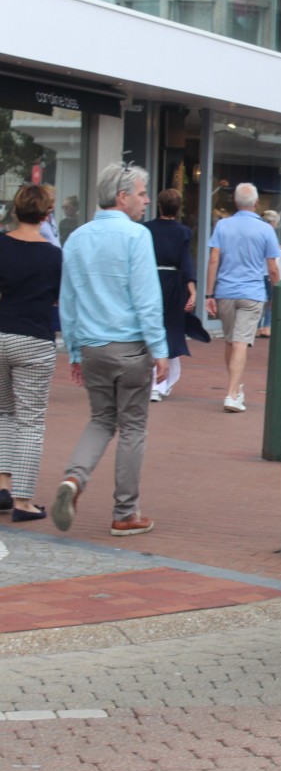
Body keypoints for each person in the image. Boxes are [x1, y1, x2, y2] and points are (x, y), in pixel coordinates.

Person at [51, 163, 169, 537]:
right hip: (131, 346)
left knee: (101, 420)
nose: (146, 200)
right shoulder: (136, 237)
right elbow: (147, 299)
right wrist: (160, 348)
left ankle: (74, 477)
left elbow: (67, 301)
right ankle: (125, 511)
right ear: (122, 197)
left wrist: (73, 351)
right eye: (140, 193)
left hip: (92, 346)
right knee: (133, 427)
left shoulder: (77, 238)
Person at [0, 185, 62, 522]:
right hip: (34, 339)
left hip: (0, 334)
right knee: (31, 421)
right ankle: (24, 501)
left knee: (2, 413)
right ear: (46, 214)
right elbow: (56, 298)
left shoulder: (1, 244)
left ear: (15, 210)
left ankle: (3, 486)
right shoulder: (53, 256)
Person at [205, 182, 281, 413]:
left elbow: (213, 259)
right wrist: (277, 292)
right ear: (256, 203)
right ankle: (232, 393)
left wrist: (209, 293)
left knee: (231, 341)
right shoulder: (266, 230)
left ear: (235, 202)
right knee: (240, 342)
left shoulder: (222, 226)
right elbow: (273, 267)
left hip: (225, 292)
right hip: (252, 293)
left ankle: (235, 388)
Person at [143, 189, 197, 401]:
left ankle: (151, 383)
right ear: (179, 208)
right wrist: (192, 291)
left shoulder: (145, 229)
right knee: (170, 331)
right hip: (174, 285)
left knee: (150, 328)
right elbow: (186, 263)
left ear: (159, 206)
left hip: (149, 282)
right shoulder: (183, 232)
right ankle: (161, 383)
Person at [257, 209, 281, 338]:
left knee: (260, 301)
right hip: (267, 272)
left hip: (259, 272)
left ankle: (257, 327)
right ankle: (267, 326)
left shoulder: (258, 231)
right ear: (273, 222)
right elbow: (272, 260)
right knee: (271, 300)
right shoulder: (269, 232)